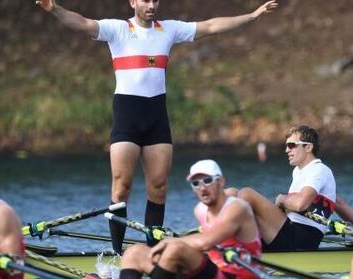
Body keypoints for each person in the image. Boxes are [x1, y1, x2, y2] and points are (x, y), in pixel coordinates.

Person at [34, 0, 279, 253]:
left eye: (155, 0)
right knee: (121, 187)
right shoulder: (117, 29)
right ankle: (117, 254)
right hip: (127, 116)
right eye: (146, 0)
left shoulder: (169, 29)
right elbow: (83, 23)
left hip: (156, 117)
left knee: (159, 187)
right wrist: (55, 9)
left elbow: (211, 26)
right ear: (133, 2)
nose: (151, 5)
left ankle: (154, 253)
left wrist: (252, 16)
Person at [119, 159, 262, 279]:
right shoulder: (200, 210)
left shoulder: (237, 208)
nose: (202, 188)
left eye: (207, 181)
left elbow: (206, 242)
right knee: (133, 252)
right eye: (195, 183)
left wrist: (170, 242)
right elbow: (201, 244)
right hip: (209, 278)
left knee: (176, 248)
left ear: (221, 182)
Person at [230, 125, 353, 252]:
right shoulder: (298, 171)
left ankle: (237, 247)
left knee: (246, 193)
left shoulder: (319, 170)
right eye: (286, 146)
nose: (286, 150)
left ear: (308, 147)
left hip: (302, 239)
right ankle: (228, 241)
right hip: (290, 233)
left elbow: (300, 204)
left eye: (291, 145)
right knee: (231, 193)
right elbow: (339, 204)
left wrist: (282, 200)